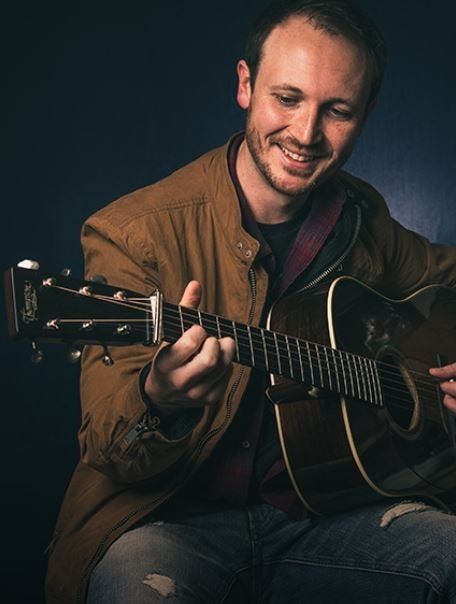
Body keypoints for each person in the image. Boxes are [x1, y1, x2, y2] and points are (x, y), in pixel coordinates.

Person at [46, 0, 456, 602]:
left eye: (337, 110)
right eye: (287, 99)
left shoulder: (361, 217)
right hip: (168, 524)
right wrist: (159, 399)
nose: (306, 134)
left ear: (365, 114)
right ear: (245, 85)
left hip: (329, 516)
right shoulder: (133, 233)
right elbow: (110, 450)